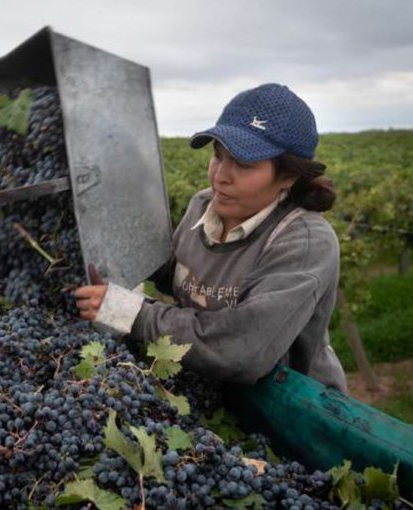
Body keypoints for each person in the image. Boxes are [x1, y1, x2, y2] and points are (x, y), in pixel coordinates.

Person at [75, 83, 347, 393]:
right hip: (209, 386)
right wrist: (117, 255)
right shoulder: (203, 205)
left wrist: (133, 313)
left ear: (288, 176)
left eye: (243, 164)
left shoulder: (306, 244)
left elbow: (239, 349)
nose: (220, 176)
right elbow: (178, 272)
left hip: (292, 407)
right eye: (218, 157)